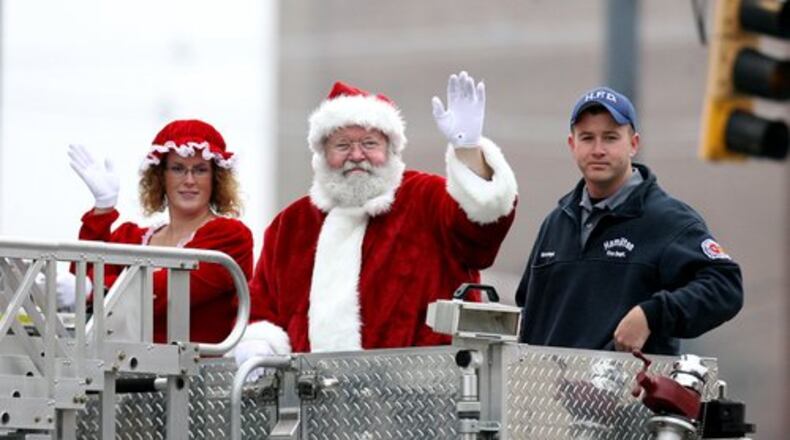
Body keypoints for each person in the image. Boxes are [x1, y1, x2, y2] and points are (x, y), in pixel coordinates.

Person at [235, 71, 518, 359]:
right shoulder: (290, 225)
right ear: (322, 154)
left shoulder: (426, 198)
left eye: (370, 144)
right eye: (342, 145)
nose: (356, 155)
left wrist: (468, 151)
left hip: (425, 393)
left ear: (391, 150)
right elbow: (261, 307)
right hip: (314, 397)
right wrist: (260, 345)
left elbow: (481, 229)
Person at [515, 86, 743, 355]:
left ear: (633, 144)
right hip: (547, 393)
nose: (598, 150)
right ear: (572, 145)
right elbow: (527, 314)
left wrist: (652, 314)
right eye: (587, 138)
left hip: (631, 394)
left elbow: (725, 286)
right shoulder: (556, 223)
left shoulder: (668, 220)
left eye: (610, 138)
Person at [66, 119, 254, 344]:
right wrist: (103, 208)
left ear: (216, 179)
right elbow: (80, 277)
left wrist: (97, 288)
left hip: (194, 375)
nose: (189, 180)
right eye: (177, 168)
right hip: (123, 371)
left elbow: (170, 294)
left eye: (200, 170)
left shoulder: (230, 237)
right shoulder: (132, 239)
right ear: (160, 177)